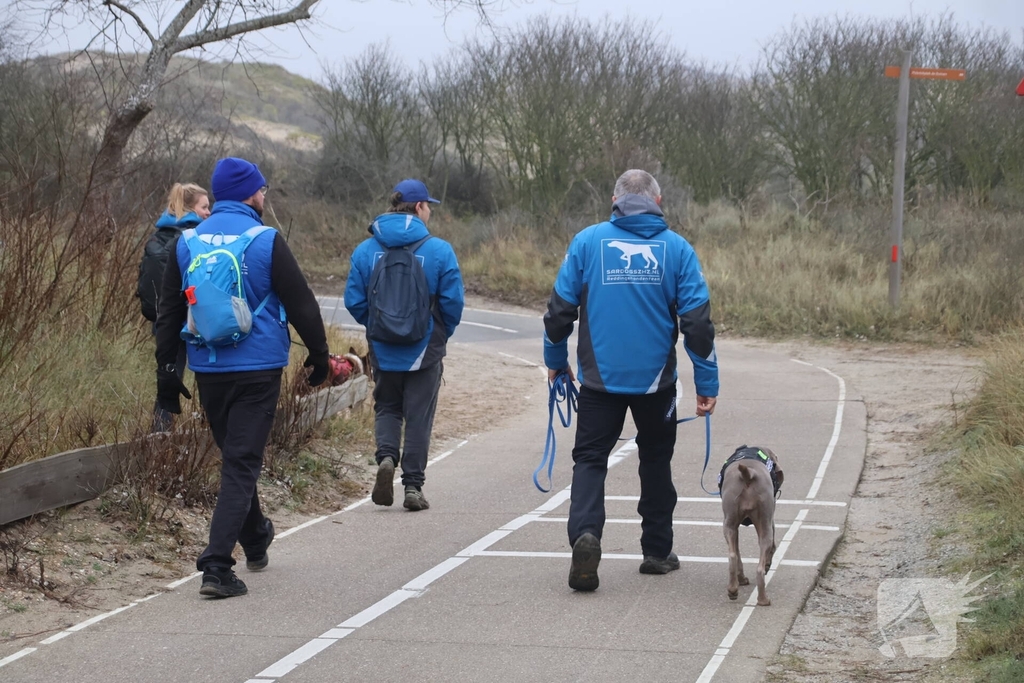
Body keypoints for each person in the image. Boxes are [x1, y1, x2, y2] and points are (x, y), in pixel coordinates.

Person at [154, 157, 330, 598]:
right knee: (241, 462)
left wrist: (167, 371)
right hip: (258, 368)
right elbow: (303, 303)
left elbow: (170, 312)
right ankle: (215, 566)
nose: (264, 196)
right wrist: (321, 354)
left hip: (208, 366)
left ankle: (255, 538)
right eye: (263, 190)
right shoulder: (266, 240)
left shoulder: (187, 241)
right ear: (252, 195)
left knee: (236, 456)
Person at [543, 169, 719, 592]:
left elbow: (559, 311)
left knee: (589, 460)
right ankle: (657, 552)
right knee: (655, 461)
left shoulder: (586, 242)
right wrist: (707, 383)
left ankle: (586, 535)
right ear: (658, 201)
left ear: (614, 199)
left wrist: (554, 359)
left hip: (598, 383)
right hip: (656, 385)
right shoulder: (677, 249)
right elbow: (697, 324)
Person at [344, 179, 464, 512]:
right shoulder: (439, 250)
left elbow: (354, 300)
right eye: (429, 207)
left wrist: (376, 326)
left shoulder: (366, 250)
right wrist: (439, 333)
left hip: (383, 348)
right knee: (419, 416)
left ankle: (385, 458)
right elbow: (453, 302)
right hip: (424, 349)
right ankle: (412, 486)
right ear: (419, 207)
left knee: (386, 407)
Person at [138, 183, 211, 432]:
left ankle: (158, 439)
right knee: (208, 380)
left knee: (168, 381)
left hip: (165, 322)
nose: (208, 212)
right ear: (191, 208)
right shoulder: (197, 237)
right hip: (195, 321)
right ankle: (209, 434)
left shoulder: (159, 235)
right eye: (204, 207)